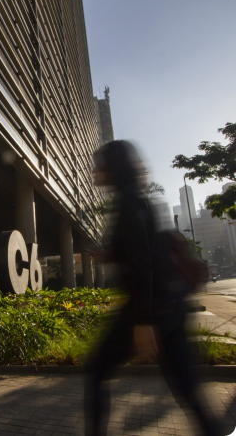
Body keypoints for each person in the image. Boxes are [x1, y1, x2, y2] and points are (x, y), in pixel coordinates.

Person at [84, 140, 225, 436]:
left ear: (112, 170)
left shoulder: (128, 204)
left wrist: (143, 322)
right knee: (189, 394)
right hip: (170, 306)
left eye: (99, 166)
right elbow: (144, 254)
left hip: (153, 308)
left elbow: (142, 265)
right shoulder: (137, 200)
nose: (94, 172)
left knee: (96, 370)